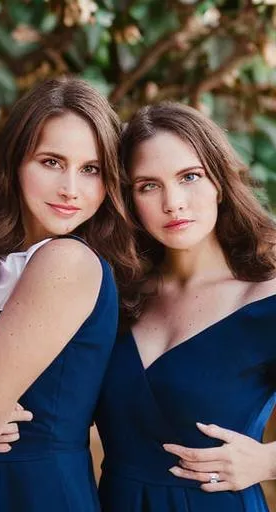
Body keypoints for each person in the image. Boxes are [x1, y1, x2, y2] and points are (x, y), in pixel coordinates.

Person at [0, 77, 140, 512]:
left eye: (91, 169)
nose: (71, 188)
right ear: (16, 161)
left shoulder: (69, 262)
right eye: (52, 162)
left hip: (40, 492)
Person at [95, 102, 276, 511]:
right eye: (148, 186)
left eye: (189, 177)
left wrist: (268, 461)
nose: (173, 202)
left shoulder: (266, 300)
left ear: (219, 183)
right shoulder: (112, 295)